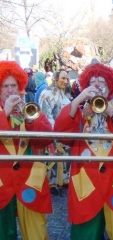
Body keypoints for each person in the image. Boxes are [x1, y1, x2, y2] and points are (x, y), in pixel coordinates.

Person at [54, 63, 113, 240]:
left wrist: (110, 110)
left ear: (110, 85)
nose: (96, 85)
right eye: (92, 81)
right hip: (86, 179)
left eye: (101, 81)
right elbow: (62, 136)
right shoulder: (80, 110)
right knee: (85, 231)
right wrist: (77, 103)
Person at [0, 60, 52, 240]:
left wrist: (31, 120)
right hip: (2, 182)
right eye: (5, 86)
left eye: (13, 85)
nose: (10, 90)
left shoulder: (30, 109)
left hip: (29, 179)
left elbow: (45, 139)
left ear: (20, 86)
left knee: (36, 232)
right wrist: (4, 113)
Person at [39, 69, 72, 195]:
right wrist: (54, 131)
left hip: (64, 131)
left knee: (64, 155)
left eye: (67, 79)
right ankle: (51, 183)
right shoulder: (46, 93)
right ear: (55, 78)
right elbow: (46, 114)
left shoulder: (63, 93)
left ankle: (63, 180)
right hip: (52, 131)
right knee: (52, 157)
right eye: (63, 78)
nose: (66, 81)